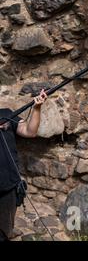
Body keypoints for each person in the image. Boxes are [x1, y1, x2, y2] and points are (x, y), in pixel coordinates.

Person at [0, 89, 48, 241]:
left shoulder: (6, 114)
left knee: (4, 230)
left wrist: (37, 108)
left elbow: (30, 131)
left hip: (8, 184)